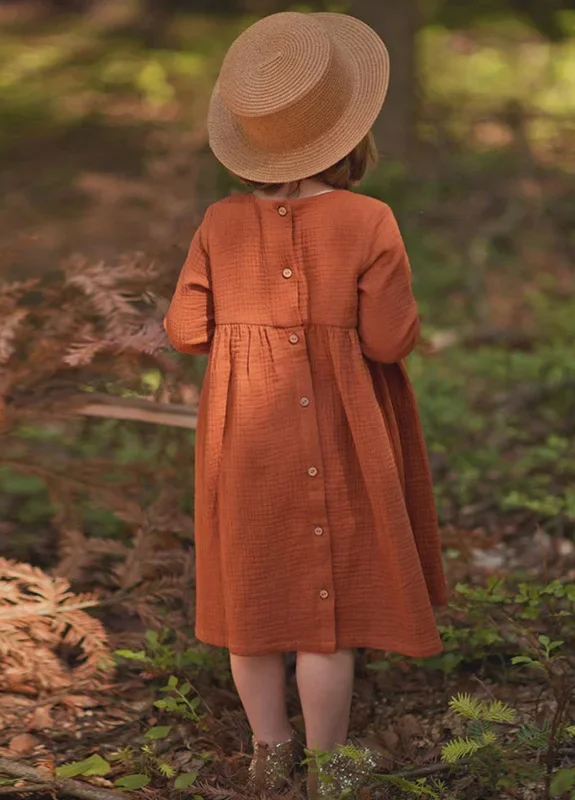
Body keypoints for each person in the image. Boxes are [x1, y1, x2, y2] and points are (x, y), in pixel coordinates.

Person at [164, 11, 447, 798]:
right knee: (331, 606)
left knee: (250, 592)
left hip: (243, 437)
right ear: (349, 131)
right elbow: (390, 342)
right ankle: (330, 768)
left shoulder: (219, 223)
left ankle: (269, 751)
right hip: (346, 429)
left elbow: (185, 329)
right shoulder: (370, 220)